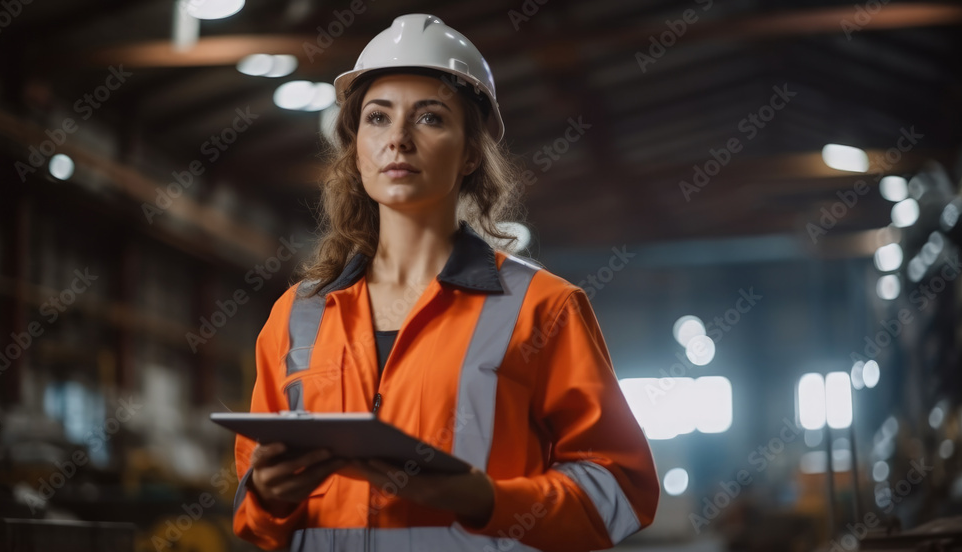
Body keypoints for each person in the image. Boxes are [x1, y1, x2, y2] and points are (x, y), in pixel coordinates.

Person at [231, 13, 659, 552]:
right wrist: (269, 498)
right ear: (355, 145)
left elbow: (621, 489)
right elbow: (251, 511)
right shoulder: (296, 316)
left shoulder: (542, 309)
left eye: (430, 118)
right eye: (377, 118)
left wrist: (484, 499)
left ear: (471, 153)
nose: (399, 140)